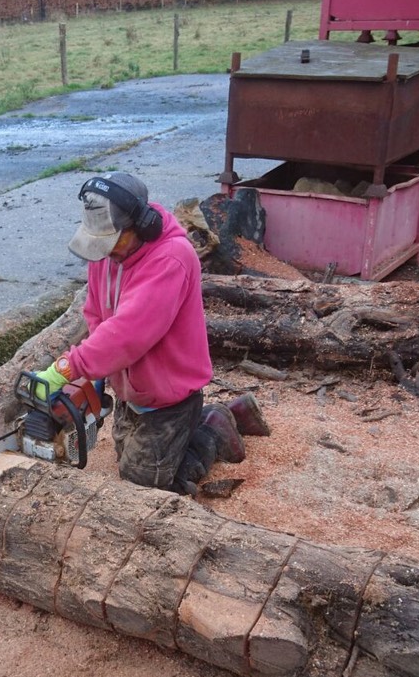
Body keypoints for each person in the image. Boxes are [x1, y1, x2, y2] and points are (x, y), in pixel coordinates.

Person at [33, 172, 267, 495]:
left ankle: (212, 431)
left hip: (170, 397)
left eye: (112, 242)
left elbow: (127, 333)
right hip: (132, 392)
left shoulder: (171, 259)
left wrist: (66, 368)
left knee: (145, 483)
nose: (105, 251)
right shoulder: (109, 254)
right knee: (127, 459)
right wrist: (98, 375)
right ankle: (191, 432)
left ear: (141, 225)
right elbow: (96, 313)